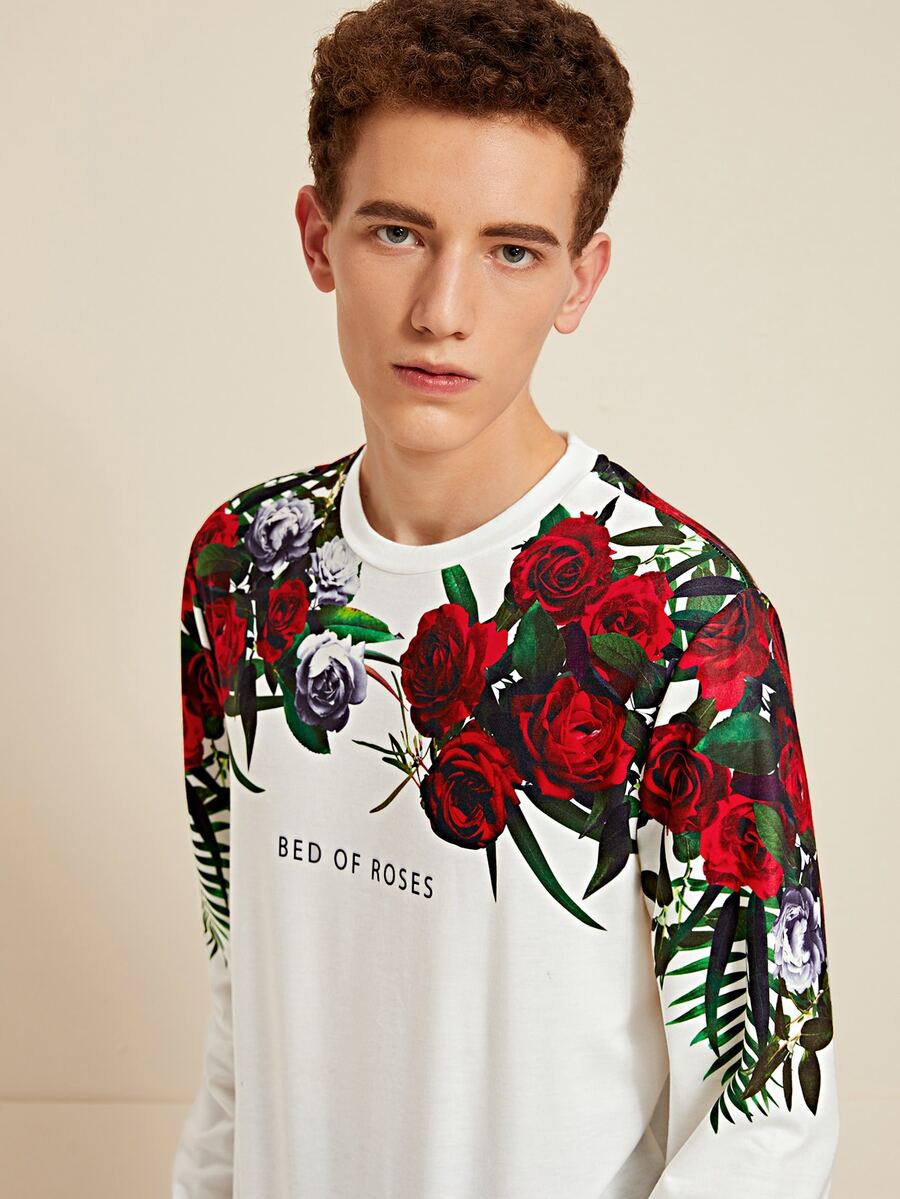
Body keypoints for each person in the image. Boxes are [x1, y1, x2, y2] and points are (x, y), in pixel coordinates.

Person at [172, 1, 839, 1195]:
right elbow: (243, 1003)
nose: (443, 309)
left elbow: (768, 1106)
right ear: (318, 238)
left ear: (581, 279)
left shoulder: (685, 613)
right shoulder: (244, 568)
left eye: (513, 250)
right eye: (398, 232)